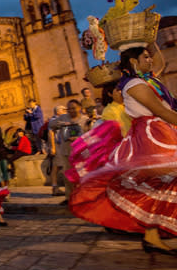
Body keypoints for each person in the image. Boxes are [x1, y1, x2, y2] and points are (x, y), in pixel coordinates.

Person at [69, 46, 177, 255]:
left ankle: (152, 236)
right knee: (161, 182)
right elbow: (162, 111)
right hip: (153, 135)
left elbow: (160, 63)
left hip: (161, 132)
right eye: (145, 57)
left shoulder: (147, 80)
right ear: (134, 62)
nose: (150, 60)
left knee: (159, 185)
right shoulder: (135, 84)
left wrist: (150, 43)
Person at [49, 100, 88, 202]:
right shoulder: (63, 117)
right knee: (68, 176)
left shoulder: (85, 120)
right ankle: (69, 197)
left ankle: (82, 197)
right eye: (69, 108)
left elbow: (90, 135)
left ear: (79, 107)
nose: (71, 110)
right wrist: (61, 124)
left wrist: (79, 138)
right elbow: (51, 125)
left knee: (82, 176)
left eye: (73, 108)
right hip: (66, 152)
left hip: (81, 153)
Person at [47, 105, 67, 196]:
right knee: (56, 167)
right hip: (57, 146)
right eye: (64, 110)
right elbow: (51, 133)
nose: (66, 111)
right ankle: (55, 188)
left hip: (62, 145)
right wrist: (53, 147)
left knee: (59, 166)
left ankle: (57, 187)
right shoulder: (53, 121)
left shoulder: (62, 120)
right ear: (58, 111)